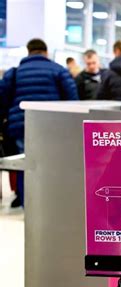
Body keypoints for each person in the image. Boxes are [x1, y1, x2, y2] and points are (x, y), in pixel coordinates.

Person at [0, 38, 78, 207]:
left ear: (28, 52)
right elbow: (73, 100)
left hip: (22, 126)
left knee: (26, 163)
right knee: (53, 163)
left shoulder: (14, 73)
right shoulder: (59, 71)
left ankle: (27, 204)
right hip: (54, 126)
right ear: (46, 52)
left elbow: (2, 101)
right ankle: (51, 203)